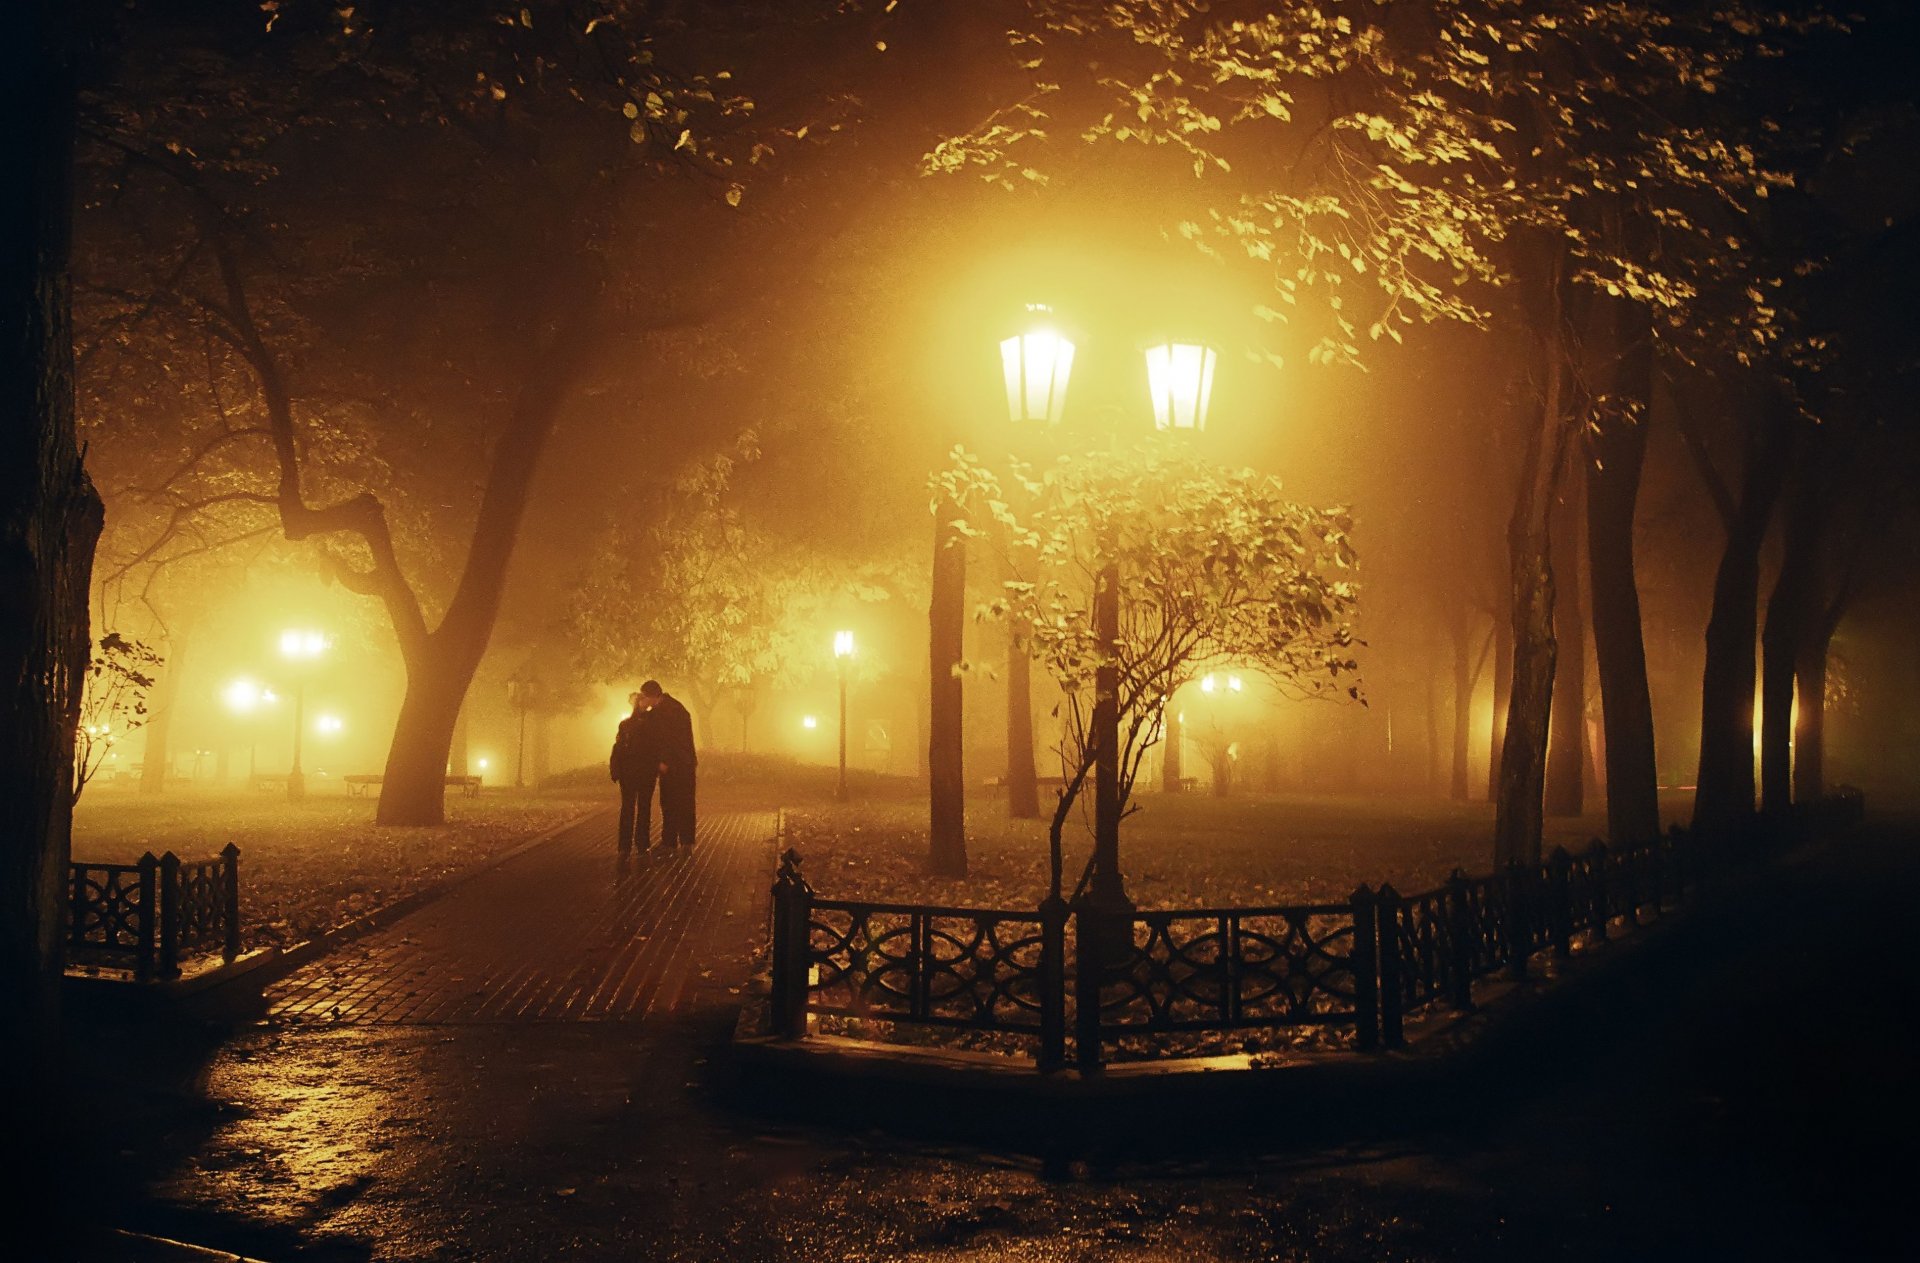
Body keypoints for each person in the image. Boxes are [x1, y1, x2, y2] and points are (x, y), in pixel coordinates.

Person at [638, 679, 697, 848]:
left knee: (670, 802)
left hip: (674, 765)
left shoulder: (663, 712)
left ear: (651, 696)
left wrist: (664, 761)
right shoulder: (675, 707)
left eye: (644, 697)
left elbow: (666, 739)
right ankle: (685, 840)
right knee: (684, 802)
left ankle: (670, 841)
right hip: (685, 763)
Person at [608, 692, 660, 860]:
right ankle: (640, 844)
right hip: (641, 772)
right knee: (640, 808)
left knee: (630, 808)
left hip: (632, 772)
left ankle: (627, 846)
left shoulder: (627, 725)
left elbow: (619, 748)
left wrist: (617, 770)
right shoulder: (650, 724)